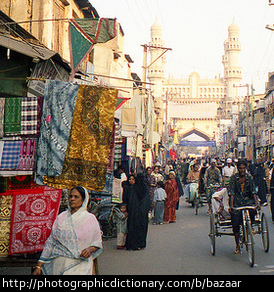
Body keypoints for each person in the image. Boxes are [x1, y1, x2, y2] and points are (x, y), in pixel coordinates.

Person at [33, 186, 102, 275]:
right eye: (71, 196)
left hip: (81, 265)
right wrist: (39, 266)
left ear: (83, 200)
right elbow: (51, 242)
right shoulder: (61, 217)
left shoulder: (90, 219)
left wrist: (90, 249)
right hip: (59, 264)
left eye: (76, 197)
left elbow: (97, 242)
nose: (72, 199)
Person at [228, 160, 260, 255]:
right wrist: (231, 205)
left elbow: (253, 191)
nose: (242, 170)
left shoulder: (249, 177)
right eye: (240, 168)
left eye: (244, 168)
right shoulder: (234, 178)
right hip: (237, 203)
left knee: (253, 211)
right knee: (235, 224)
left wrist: (256, 202)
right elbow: (232, 193)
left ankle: (250, 227)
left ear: (246, 168)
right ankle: (237, 245)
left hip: (247, 201)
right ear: (238, 169)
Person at [122, 174, 150, 250]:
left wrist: (129, 210)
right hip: (143, 213)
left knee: (133, 228)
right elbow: (147, 201)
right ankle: (141, 244)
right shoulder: (145, 188)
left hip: (134, 212)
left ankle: (133, 245)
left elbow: (130, 200)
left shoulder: (133, 188)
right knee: (142, 228)